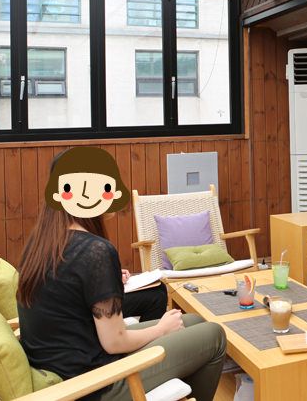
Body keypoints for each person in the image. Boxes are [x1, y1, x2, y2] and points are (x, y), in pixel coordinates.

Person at [17, 148, 226, 401]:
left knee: (194, 321)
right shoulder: (95, 250)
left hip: (71, 368)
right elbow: (114, 342)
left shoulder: (40, 244)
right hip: (96, 384)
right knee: (214, 335)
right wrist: (161, 329)